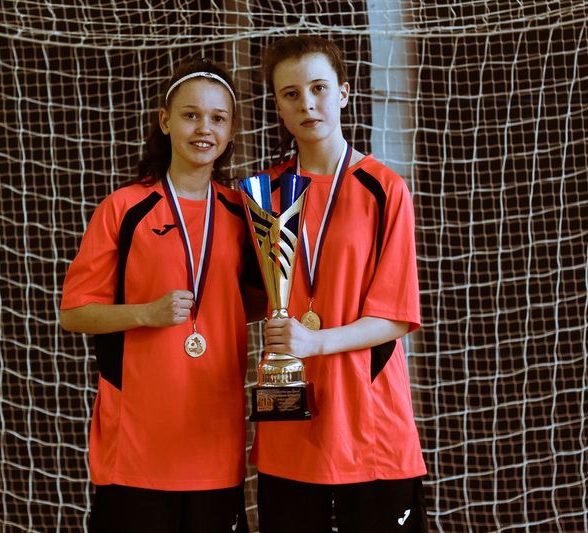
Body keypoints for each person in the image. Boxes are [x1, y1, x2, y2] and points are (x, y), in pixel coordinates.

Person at [60, 57, 260, 533]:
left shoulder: (245, 213)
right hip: (136, 446)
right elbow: (75, 312)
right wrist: (146, 313)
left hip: (214, 442)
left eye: (218, 118)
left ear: (231, 130)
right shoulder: (124, 208)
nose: (204, 128)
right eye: (191, 115)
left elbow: (257, 300)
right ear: (165, 121)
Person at [251, 35, 428, 532]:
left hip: (369, 423)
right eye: (290, 94)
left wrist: (316, 341)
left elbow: (395, 317)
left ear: (344, 93)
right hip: (289, 414)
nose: (306, 103)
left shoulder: (384, 188)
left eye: (318, 88)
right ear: (278, 107)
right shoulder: (262, 195)